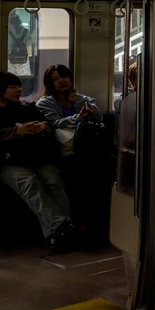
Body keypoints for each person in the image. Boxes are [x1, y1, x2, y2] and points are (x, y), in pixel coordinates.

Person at [0, 71, 76, 252]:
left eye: (19, 86)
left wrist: (42, 126)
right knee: (29, 183)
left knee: (53, 180)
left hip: (38, 157)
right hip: (10, 162)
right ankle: (63, 227)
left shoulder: (28, 107)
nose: (18, 90)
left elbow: (50, 125)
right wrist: (16, 132)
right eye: (13, 87)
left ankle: (58, 232)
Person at [37, 64, 109, 234]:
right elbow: (55, 123)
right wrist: (79, 118)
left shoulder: (82, 98)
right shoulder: (46, 103)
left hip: (89, 148)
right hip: (64, 151)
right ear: (50, 83)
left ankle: (102, 219)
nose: (61, 81)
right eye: (55, 79)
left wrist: (77, 100)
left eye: (64, 77)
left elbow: (98, 116)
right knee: (78, 173)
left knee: (105, 168)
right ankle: (79, 221)